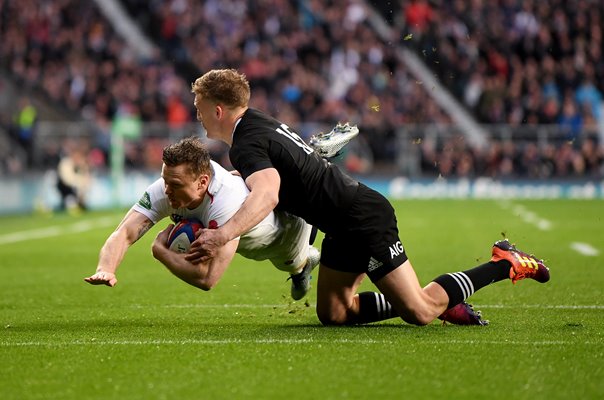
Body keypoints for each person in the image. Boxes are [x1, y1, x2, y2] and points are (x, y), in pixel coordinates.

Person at [188, 68, 551, 326]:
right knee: (334, 313)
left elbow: (267, 195)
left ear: (218, 110)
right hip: (341, 224)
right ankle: (437, 298)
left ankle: (504, 261)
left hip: (362, 218)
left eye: (200, 107)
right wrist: (242, 178)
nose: (198, 115)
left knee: (419, 312)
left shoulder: (247, 143)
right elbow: (277, 172)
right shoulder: (256, 124)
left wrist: (222, 234)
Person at [85, 137, 320, 300]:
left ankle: (313, 165)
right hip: (257, 238)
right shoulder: (168, 187)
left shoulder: (226, 200)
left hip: (288, 232)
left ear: (203, 182)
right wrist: (106, 268)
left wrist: (162, 253)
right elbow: (124, 232)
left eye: (175, 185)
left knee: (294, 263)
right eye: (164, 181)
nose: (167, 191)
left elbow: (208, 278)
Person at [56, 143, 91, 213]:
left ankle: (78, 203)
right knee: (70, 203)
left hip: (76, 189)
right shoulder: (65, 163)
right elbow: (67, 180)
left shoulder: (82, 166)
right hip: (65, 188)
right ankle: (69, 202)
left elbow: (86, 181)